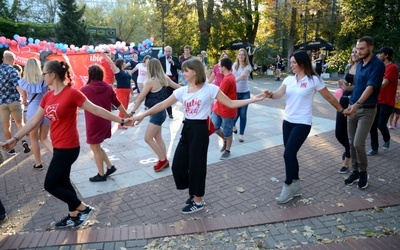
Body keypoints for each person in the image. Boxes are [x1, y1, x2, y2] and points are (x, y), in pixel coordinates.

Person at [0, 60, 134, 229]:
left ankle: (83, 209)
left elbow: (96, 109)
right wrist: (16, 138)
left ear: (52, 75)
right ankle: (73, 215)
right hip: (58, 146)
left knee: (50, 184)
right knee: (63, 182)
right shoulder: (48, 96)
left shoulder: (72, 93)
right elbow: (34, 120)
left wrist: (122, 119)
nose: (43, 77)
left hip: (69, 147)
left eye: (44, 74)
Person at [132, 58, 265, 214]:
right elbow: (162, 105)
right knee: (178, 166)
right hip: (187, 128)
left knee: (197, 166)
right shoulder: (183, 90)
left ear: (195, 71)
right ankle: (194, 190)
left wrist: (253, 99)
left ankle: (198, 200)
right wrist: (142, 115)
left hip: (200, 129)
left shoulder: (210, 89)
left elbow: (231, 103)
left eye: (186, 71)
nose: (183, 73)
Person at [263, 50, 344, 204]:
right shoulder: (289, 80)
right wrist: (269, 94)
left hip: (303, 123)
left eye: (294, 62)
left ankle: (287, 186)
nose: (291, 65)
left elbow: (328, 96)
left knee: (288, 154)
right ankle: (296, 186)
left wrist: (341, 110)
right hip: (287, 121)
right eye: (291, 62)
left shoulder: (314, 79)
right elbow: (278, 94)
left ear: (302, 63)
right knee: (291, 155)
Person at [343, 36, 385, 189]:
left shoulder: (378, 65)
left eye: (362, 48)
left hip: (366, 109)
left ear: (371, 48)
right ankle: (354, 172)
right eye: (357, 48)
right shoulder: (359, 64)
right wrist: (349, 96)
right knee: (351, 143)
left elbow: (370, 87)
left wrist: (358, 104)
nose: (359, 51)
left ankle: (363, 172)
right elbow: (358, 86)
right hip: (353, 107)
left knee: (358, 143)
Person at [129, 59, 181, 172]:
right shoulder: (164, 78)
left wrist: (132, 112)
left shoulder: (150, 81)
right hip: (161, 112)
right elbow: (177, 87)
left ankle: (162, 160)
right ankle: (164, 159)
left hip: (156, 113)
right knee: (158, 138)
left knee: (147, 138)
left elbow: (140, 98)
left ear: (150, 68)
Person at [81, 65, 131, 182]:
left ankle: (101, 174)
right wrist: (126, 114)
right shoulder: (108, 88)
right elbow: (117, 103)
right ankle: (109, 167)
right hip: (106, 121)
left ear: (90, 75)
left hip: (93, 123)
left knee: (94, 147)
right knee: (97, 146)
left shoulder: (85, 90)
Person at [17, 58, 52, 170]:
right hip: (45, 110)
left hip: (33, 110)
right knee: (44, 138)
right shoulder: (45, 79)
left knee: (34, 139)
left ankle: (38, 164)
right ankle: (57, 156)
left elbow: (24, 99)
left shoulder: (24, 81)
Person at [367, 47, 398, 155]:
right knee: (372, 125)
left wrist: (370, 88)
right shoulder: (378, 67)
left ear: (386, 55)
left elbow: (384, 84)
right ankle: (374, 148)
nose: (377, 55)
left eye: (380, 54)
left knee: (380, 124)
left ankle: (387, 138)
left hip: (387, 102)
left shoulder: (392, 68)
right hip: (376, 100)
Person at [0, 50, 30, 155]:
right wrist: (24, 97)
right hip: (14, 101)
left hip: (2, 103)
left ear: (3, 60)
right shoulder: (13, 71)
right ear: (12, 60)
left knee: (6, 125)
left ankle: (10, 148)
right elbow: (19, 86)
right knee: (19, 122)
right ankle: (24, 141)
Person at [336, 47, 360, 174]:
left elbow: (362, 88)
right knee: (339, 132)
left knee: (350, 133)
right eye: (353, 51)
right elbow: (347, 83)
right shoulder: (349, 66)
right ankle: (348, 151)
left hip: (354, 102)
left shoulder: (363, 68)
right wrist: (342, 83)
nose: (354, 53)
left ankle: (347, 159)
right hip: (343, 100)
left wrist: (348, 88)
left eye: (357, 51)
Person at [211, 57, 237, 160]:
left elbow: (219, 94)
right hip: (218, 108)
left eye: (220, 66)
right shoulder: (228, 77)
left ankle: (227, 150)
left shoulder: (228, 79)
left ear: (224, 67)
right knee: (214, 127)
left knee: (227, 131)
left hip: (227, 110)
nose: (218, 67)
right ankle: (225, 140)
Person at [103, 53, 134, 129]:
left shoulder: (126, 71)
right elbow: (110, 62)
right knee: (122, 107)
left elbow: (128, 81)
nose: (125, 63)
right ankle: (120, 124)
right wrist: (104, 55)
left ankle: (125, 121)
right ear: (121, 63)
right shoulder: (117, 70)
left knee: (126, 107)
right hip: (121, 91)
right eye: (124, 62)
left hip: (127, 91)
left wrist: (131, 90)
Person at [232, 48, 252, 142]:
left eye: (243, 55)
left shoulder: (248, 67)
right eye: (239, 54)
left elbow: (242, 76)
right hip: (235, 93)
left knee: (243, 114)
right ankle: (233, 125)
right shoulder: (234, 65)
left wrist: (231, 82)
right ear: (237, 56)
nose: (241, 56)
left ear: (245, 56)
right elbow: (231, 76)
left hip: (245, 93)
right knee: (235, 113)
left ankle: (241, 134)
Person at [159, 46, 181, 119]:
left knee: (174, 95)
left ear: (171, 52)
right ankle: (170, 113)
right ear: (164, 52)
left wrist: (173, 62)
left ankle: (171, 106)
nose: (167, 53)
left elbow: (180, 66)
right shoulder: (161, 59)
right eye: (166, 51)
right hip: (165, 80)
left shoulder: (175, 58)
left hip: (173, 80)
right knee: (167, 96)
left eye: (169, 51)